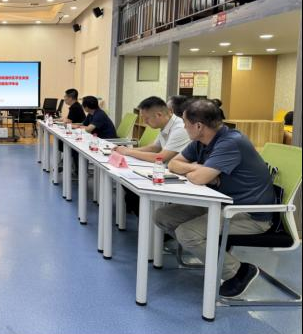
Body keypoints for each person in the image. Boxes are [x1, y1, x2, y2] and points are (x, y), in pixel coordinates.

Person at [155, 99, 275, 298]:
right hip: (221, 203)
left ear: (199, 126)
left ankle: (239, 271)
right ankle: (214, 253)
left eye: (185, 123)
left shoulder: (231, 142)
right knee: (163, 216)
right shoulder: (201, 142)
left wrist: (198, 172)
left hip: (249, 214)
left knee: (187, 233)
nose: (183, 128)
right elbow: (173, 164)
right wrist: (198, 168)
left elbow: (198, 178)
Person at [113, 96, 190, 216]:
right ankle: (144, 218)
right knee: (127, 181)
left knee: (134, 187)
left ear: (159, 115)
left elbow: (161, 157)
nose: (145, 122)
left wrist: (129, 152)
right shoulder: (166, 125)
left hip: (177, 174)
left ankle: (148, 221)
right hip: (164, 169)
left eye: (146, 119)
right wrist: (127, 150)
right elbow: (154, 147)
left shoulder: (179, 128)